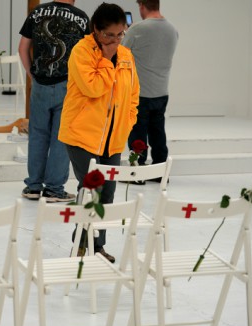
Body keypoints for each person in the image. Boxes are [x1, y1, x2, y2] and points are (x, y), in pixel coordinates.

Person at [59, 3, 140, 262]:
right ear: (96, 30)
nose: (116, 41)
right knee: (90, 190)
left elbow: (134, 95)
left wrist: (127, 123)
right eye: (110, 35)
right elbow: (93, 88)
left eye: (120, 35)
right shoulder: (82, 52)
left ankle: (96, 245)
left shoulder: (126, 55)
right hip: (82, 136)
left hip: (113, 140)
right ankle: (83, 245)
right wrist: (105, 60)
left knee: (107, 193)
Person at [18, 0, 90, 203]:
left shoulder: (37, 12)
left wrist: (31, 73)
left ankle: (33, 186)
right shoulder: (81, 17)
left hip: (40, 83)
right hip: (67, 85)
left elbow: (23, 47)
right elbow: (87, 53)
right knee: (61, 137)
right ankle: (54, 189)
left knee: (37, 135)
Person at [122, 0, 178, 184]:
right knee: (158, 132)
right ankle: (161, 171)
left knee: (138, 134)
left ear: (142, 6)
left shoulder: (137, 29)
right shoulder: (172, 30)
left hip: (140, 92)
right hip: (162, 90)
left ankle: (137, 174)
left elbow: (121, 53)